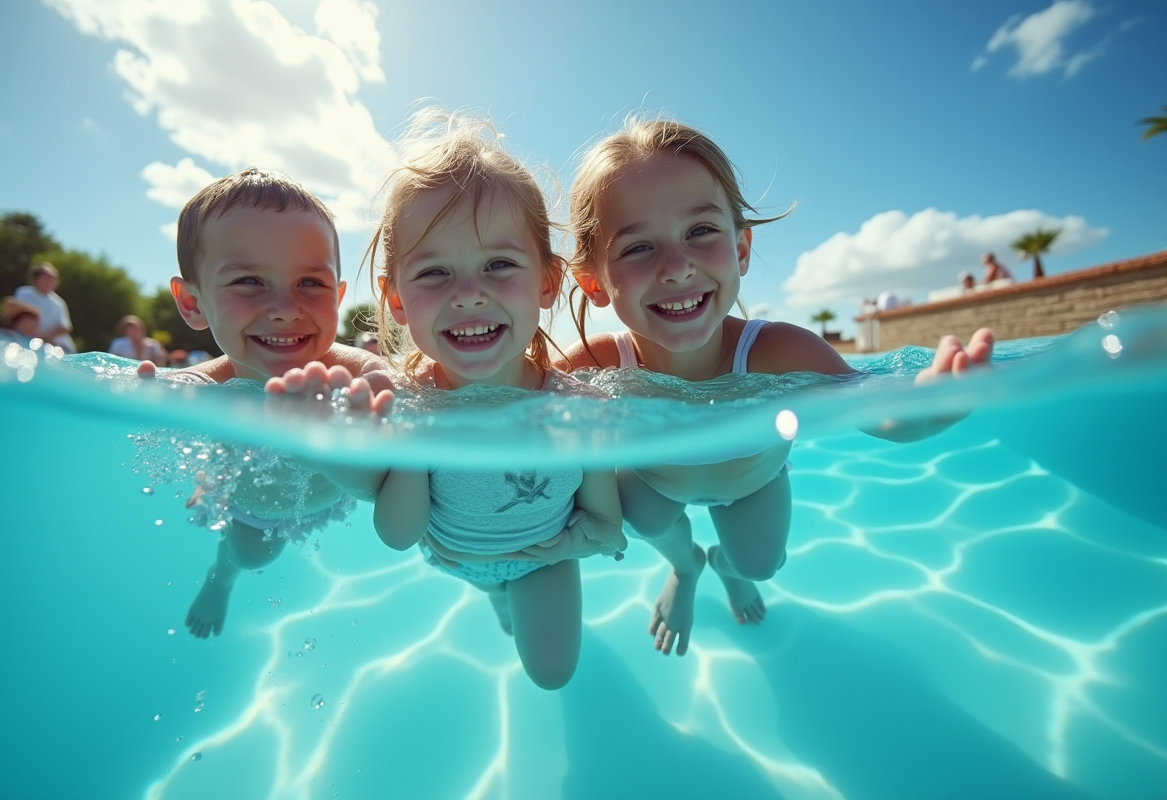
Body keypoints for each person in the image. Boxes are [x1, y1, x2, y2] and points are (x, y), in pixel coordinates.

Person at [560, 117, 994, 656]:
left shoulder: (780, 353)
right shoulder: (594, 368)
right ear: (594, 281)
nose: (676, 268)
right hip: (657, 485)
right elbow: (522, 420)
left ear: (741, 248)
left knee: (762, 564)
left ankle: (723, 564)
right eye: (637, 248)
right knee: (644, 520)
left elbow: (877, 413)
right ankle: (687, 566)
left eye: (700, 232)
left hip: (752, 482)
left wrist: (927, 408)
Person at [299, 110, 626, 690]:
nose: (469, 294)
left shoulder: (580, 412)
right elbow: (399, 534)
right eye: (434, 273)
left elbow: (605, 524)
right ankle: (501, 603)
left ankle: (510, 601)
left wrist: (560, 549)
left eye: (499, 264)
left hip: (543, 561)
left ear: (548, 282)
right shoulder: (410, 409)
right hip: (458, 559)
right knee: (501, 608)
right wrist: (408, 440)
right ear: (396, 299)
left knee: (552, 673)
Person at [141, 166, 394, 639]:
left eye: (311, 284)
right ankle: (222, 577)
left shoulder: (349, 368)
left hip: (334, 489)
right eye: (249, 281)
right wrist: (168, 389)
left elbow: (388, 383)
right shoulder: (213, 384)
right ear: (193, 303)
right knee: (253, 555)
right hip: (260, 509)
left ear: (338, 298)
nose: (283, 306)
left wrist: (382, 387)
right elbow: (186, 385)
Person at [14, 262, 76, 352]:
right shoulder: (23, 293)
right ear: (36, 277)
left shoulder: (59, 302)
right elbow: (17, 316)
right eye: (48, 277)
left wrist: (45, 337)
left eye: (54, 278)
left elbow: (65, 327)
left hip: (58, 348)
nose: (52, 280)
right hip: (26, 342)